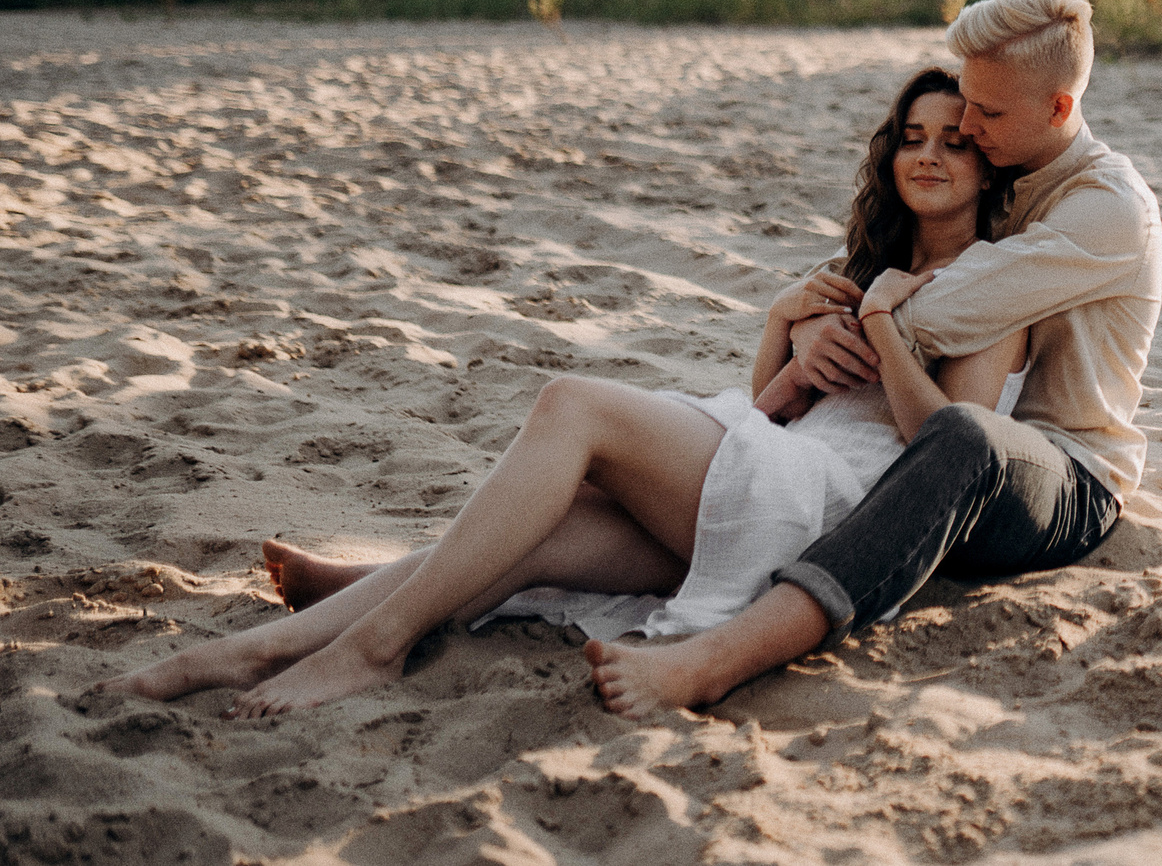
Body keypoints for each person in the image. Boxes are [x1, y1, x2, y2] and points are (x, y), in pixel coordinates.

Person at [98, 66, 1025, 714]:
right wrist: (783, 322)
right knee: (538, 533)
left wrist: (884, 326)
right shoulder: (859, 272)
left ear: (989, 164)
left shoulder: (994, 291)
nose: (928, 155)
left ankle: (371, 647)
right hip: (770, 470)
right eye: (911, 138)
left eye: (954, 142)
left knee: (571, 405)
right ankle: (254, 649)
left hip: (840, 513)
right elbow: (770, 406)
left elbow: (949, 442)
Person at [585, 0, 1161, 717]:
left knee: (964, 435)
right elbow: (886, 272)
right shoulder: (1004, 175)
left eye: (987, 114)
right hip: (945, 464)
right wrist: (806, 318)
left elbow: (940, 307)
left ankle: (712, 662)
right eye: (968, 103)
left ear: (1058, 108)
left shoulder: (1108, 208)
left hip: (1066, 475)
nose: (968, 126)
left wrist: (840, 320)